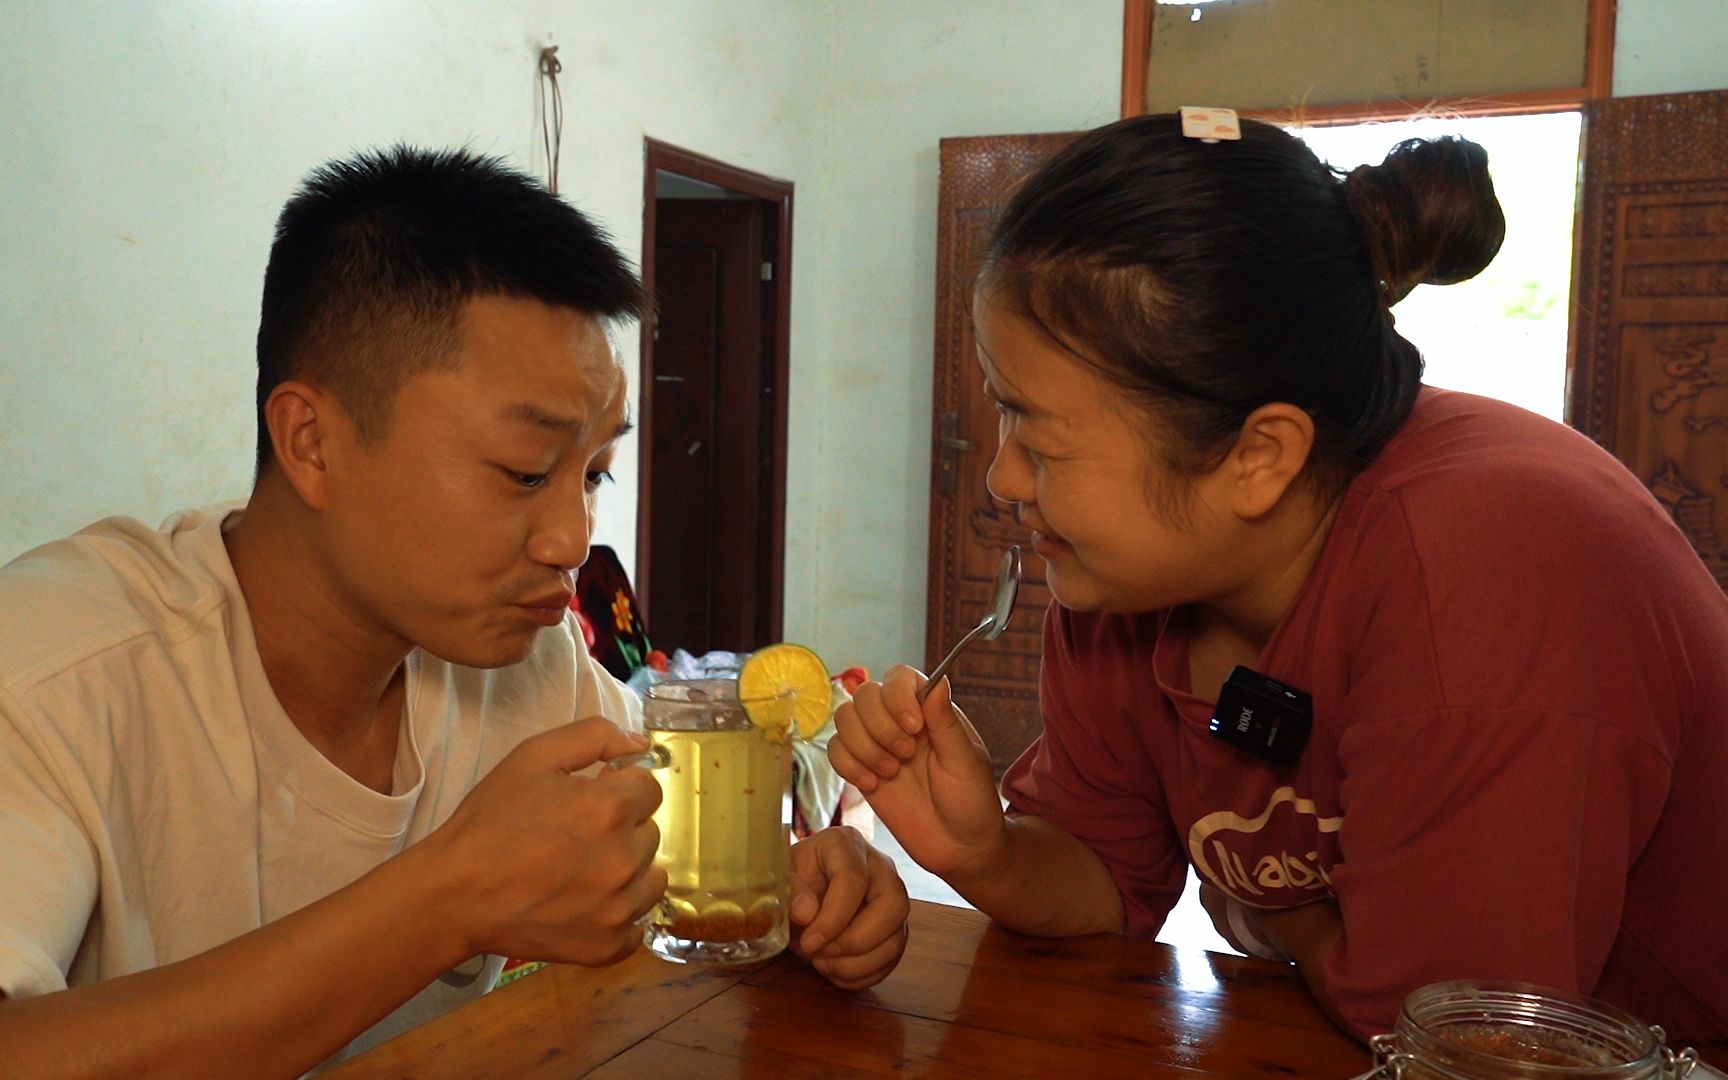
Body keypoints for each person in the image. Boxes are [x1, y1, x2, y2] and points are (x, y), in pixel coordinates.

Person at [0, 146, 909, 1077]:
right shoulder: (51, 671)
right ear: (311, 441)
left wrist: (801, 894)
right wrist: (442, 902)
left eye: (593, 473)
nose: (571, 539)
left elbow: (672, 861)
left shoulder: (529, 660)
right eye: (525, 471)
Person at [831, 113, 1728, 1043]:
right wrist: (985, 851)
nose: (1002, 479)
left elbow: (1458, 1037)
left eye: (1039, 436)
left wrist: (1287, 925)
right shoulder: (1129, 582)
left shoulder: (1489, 575)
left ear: (1260, 456)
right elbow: (1106, 874)